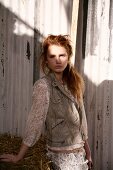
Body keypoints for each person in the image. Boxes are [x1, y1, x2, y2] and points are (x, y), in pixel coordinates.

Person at [0, 35, 92, 170]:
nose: (58, 60)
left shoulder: (74, 82)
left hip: (80, 153)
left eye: (62, 55)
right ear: (46, 60)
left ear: (68, 57)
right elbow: (35, 123)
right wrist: (19, 156)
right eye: (52, 56)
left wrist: (88, 153)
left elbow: (81, 119)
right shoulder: (43, 86)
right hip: (61, 156)